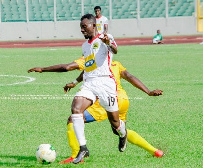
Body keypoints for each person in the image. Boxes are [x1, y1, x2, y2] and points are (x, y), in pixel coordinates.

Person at [28, 56, 164, 163]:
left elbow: (67, 67)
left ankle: (76, 155)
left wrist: (43, 69)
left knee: (73, 119)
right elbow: (129, 76)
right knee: (119, 130)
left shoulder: (90, 58)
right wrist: (149, 91)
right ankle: (155, 151)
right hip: (123, 100)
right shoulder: (114, 63)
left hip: (105, 100)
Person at [70, 14, 126, 164]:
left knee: (115, 122)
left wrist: (108, 43)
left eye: (84, 26)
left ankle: (123, 133)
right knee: (76, 108)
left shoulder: (106, 37)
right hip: (89, 83)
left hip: (105, 83)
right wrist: (75, 81)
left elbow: (114, 50)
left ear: (94, 26)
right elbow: (89, 67)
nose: (82, 30)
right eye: (80, 27)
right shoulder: (85, 46)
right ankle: (83, 148)